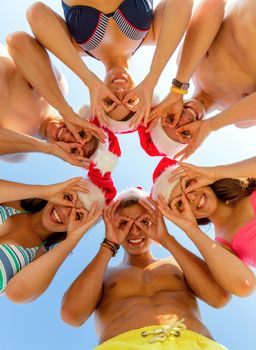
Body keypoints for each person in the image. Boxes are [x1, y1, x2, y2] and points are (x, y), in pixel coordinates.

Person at [61, 187, 229, 350]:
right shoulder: (103, 275)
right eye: (123, 223)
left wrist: (165, 238)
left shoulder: (177, 263)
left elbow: (219, 297)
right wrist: (109, 244)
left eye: (144, 221)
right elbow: (71, 315)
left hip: (193, 344)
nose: (134, 231)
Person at [8, 0, 194, 133]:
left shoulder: (75, 48)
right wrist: (153, 78)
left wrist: (89, 81)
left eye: (110, 102)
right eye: (130, 101)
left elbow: (36, 13)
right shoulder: (152, 34)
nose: (120, 92)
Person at [150, 0, 256, 159]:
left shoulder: (187, 66)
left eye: (172, 118)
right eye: (185, 132)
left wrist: (177, 90)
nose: (183, 121)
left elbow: (214, 4)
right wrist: (211, 125)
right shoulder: (241, 120)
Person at [0, 170, 116, 303]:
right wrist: (46, 192)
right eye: (68, 198)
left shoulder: (40, 257)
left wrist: (72, 239)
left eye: (77, 215)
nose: (65, 211)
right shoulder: (12, 201)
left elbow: (16, 293)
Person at [151, 157, 256, 297]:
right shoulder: (222, 248)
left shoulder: (251, 184)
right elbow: (245, 285)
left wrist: (215, 173)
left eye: (188, 184)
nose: (191, 197)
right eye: (180, 203)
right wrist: (191, 229)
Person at [0, 42, 105, 166]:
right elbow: (17, 42)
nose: (68, 138)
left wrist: (47, 148)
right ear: (84, 121)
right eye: (81, 134)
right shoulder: (58, 88)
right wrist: (65, 111)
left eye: (75, 150)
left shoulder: (19, 153)